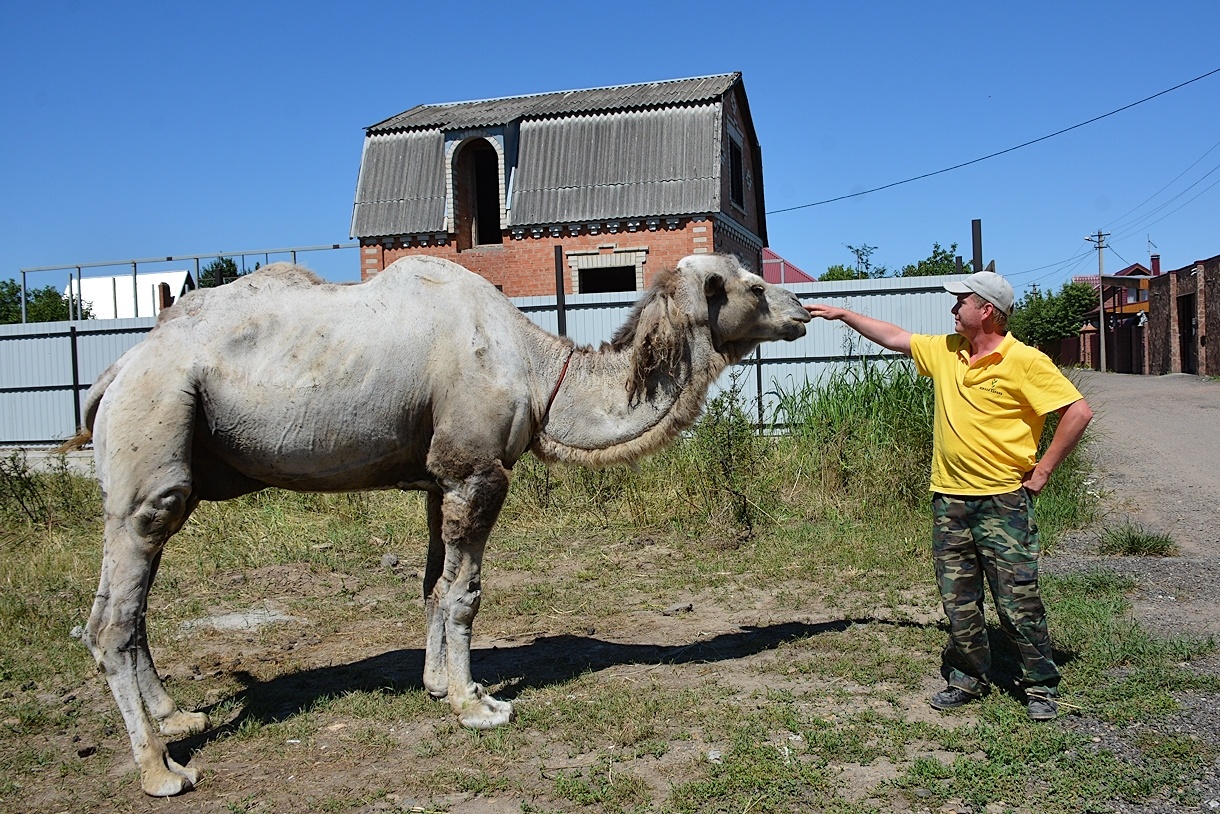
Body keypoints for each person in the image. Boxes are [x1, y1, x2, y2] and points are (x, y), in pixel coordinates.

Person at [805, 270, 1093, 721]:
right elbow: (896, 337)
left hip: (1003, 501)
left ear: (987, 311)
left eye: (961, 302)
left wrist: (1042, 474)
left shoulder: (1025, 361)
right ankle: (967, 677)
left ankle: (1039, 684)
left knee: (1017, 598)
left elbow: (1078, 411)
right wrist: (843, 314)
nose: (954, 309)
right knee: (958, 598)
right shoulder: (948, 351)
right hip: (950, 501)